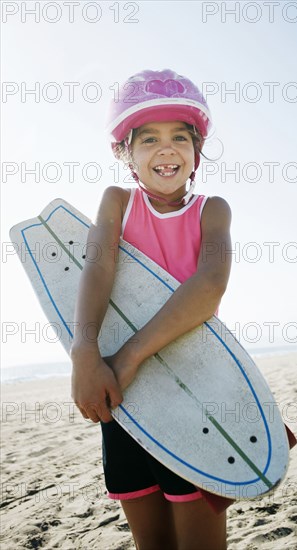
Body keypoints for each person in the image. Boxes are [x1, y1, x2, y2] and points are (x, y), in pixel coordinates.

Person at [70, 69, 232, 550]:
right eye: (149, 140)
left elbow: (208, 287)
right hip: (127, 402)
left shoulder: (212, 210)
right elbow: (96, 271)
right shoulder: (117, 203)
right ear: (126, 154)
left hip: (195, 393)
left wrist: (126, 357)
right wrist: (84, 354)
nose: (166, 150)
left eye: (180, 138)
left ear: (196, 153)